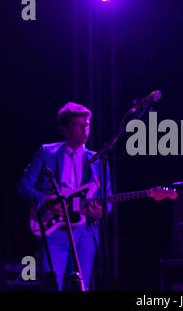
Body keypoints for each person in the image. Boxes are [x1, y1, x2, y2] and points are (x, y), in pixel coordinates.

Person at [18, 102, 112, 291]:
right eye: (79, 125)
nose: (85, 129)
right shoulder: (47, 152)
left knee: (82, 287)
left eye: (87, 124)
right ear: (65, 128)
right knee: (52, 286)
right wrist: (45, 200)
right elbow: (23, 187)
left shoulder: (97, 159)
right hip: (54, 231)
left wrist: (101, 211)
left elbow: (106, 198)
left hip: (85, 231)